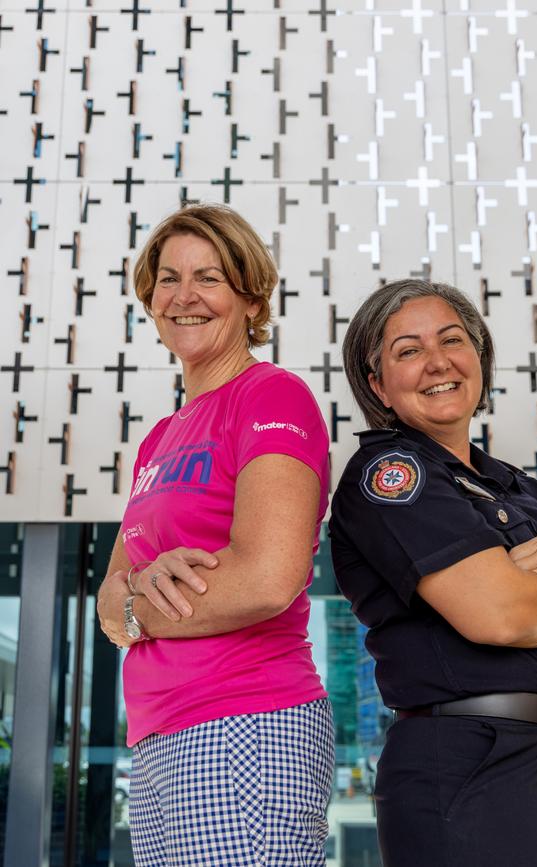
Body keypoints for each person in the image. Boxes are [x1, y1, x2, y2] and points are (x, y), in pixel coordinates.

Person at [328, 279, 537, 867]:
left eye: (452, 340)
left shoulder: (520, 486)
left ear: (478, 357)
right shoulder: (392, 472)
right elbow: (501, 615)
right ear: (378, 385)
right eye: (408, 350)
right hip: (479, 766)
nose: (438, 362)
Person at [97, 204, 334, 867]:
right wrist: (130, 601)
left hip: (244, 723)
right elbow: (105, 600)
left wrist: (137, 606)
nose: (184, 296)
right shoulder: (157, 440)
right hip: (156, 732)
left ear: (250, 295)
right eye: (167, 278)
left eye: (209, 277)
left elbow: (265, 577)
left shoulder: (271, 397)